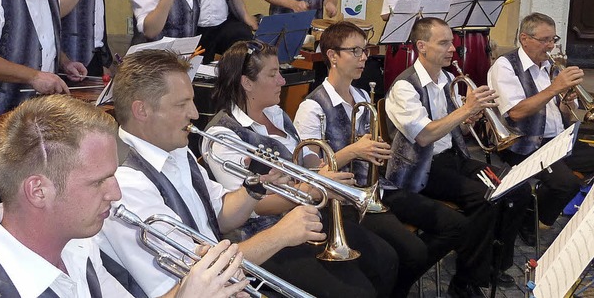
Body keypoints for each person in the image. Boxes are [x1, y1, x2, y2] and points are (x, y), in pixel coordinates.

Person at [0, 94, 249, 298]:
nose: (116, 192)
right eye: (98, 182)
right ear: (38, 191)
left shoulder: (74, 240)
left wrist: (191, 286)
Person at [97, 49, 335, 297]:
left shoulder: (175, 149)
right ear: (142, 111)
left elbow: (220, 213)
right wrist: (279, 235)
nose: (195, 114)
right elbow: (190, 282)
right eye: (182, 104)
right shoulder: (126, 184)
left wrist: (256, 186)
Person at [202, 40, 399, 297]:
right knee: (356, 291)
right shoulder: (223, 136)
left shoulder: (275, 113)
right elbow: (256, 206)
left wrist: (327, 176)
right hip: (266, 234)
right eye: (273, 74)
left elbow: (304, 163)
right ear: (246, 83)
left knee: (386, 260)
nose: (282, 81)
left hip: (307, 215)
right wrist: (316, 189)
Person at [294, 21, 465, 297]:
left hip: (375, 191)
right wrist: (355, 151)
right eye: (355, 51)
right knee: (408, 253)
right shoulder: (311, 107)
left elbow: (373, 151)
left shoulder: (362, 95)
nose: (364, 58)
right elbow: (311, 171)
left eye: (364, 51)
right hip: (342, 201)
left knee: (454, 226)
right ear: (333, 56)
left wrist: (380, 151)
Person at [385, 17, 531, 297]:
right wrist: (465, 111)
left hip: (454, 157)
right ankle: (465, 281)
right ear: (421, 47)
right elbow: (425, 136)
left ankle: (493, 265)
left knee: (516, 187)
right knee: (484, 198)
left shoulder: (449, 79)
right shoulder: (404, 87)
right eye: (443, 43)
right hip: (422, 168)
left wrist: (470, 117)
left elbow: (456, 130)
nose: (453, 48)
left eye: (452, 41)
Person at [487, 12, 594, 243]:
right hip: (524, 143)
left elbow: (566, 115)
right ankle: (533, 222)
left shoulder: (551, 66)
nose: (550, 46)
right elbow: (515, 112)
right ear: (524, 38)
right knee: (566, 184)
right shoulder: (505, 66)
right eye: (544, 40)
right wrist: (555, 88)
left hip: (557, 139)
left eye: (553, 40)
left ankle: (540, 209)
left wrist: (567, 101)